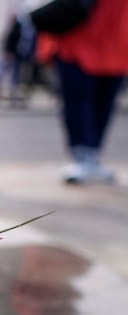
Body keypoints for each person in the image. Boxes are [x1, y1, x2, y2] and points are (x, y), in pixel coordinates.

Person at [34, 0, 128, 185]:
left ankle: (92, 155)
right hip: (76, 44)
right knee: (78, 102)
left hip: (116, 44)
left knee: (104, 103)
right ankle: (81, 156)